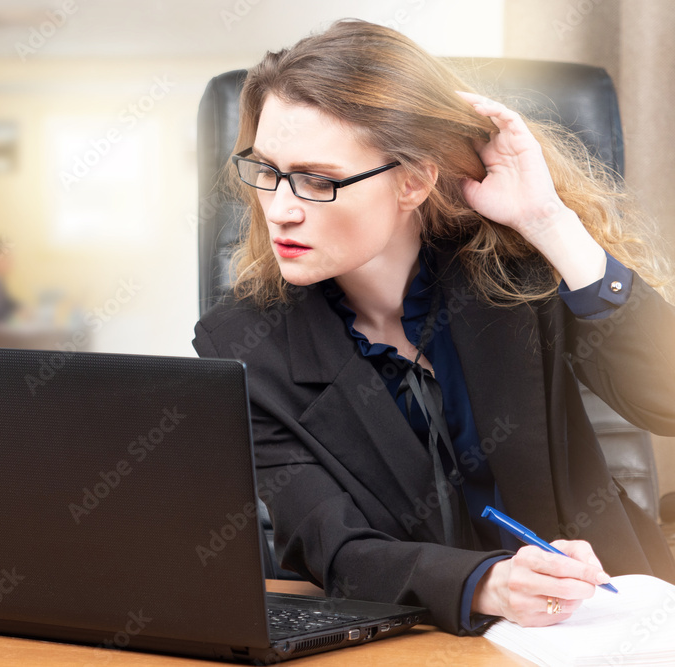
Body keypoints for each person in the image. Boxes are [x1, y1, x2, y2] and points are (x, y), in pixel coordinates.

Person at [191, 19, 675, 635]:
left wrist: (550, 223)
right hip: (416, 636)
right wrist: (487, 584)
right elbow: (332, 548)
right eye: (267, 171)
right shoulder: (241, 347)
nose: (281, 208)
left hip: (608, 614)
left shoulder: (516, 272)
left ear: (414, 181)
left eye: (318, 179)